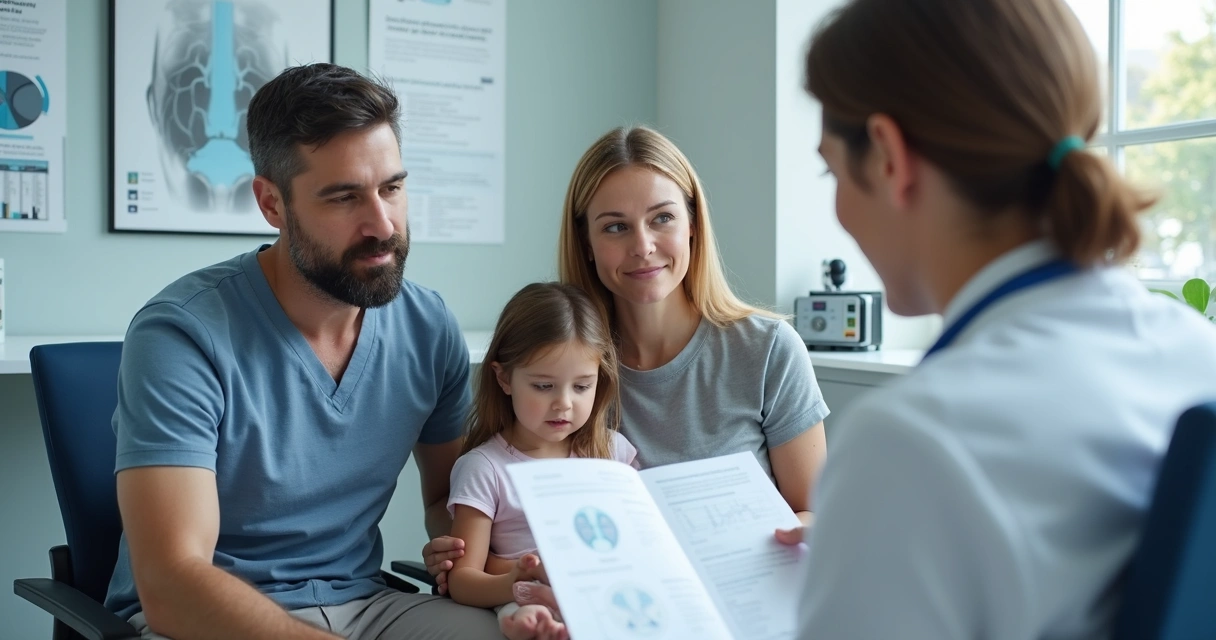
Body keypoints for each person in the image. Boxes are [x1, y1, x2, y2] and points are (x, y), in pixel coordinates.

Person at [793, 0, 1216, 637]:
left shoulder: (910, 443)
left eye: (832, 169)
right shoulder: (1197, 351)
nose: (838, 209)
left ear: (887, 156)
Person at [105, 63, 499, 639]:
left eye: (392, 187)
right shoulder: (182, 336)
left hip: (367, 604)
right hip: (208, 617)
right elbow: (171, 583)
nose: (382, 224)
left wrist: (483, 558)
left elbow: (448, 494)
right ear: (271, 204)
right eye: (343, 198)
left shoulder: (427, 325)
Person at [422, 125, 830, 590]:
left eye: (662, 219)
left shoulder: (769, 349)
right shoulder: (562, 364)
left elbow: (814, 512)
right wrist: (474, 563)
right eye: (616, 227)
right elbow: (481, 517)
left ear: (692, 225)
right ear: (587, 244)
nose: (642, 246)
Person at [446, 282, 638, 640]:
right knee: (528, 612)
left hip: (608, 594)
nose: (564, 403)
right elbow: (462, 580)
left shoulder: (613, 453)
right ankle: (533, 623)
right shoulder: (485, 468)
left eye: (581, 386)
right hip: (524, 591)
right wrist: (516, 583)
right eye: (544, 386)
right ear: (504, 378)